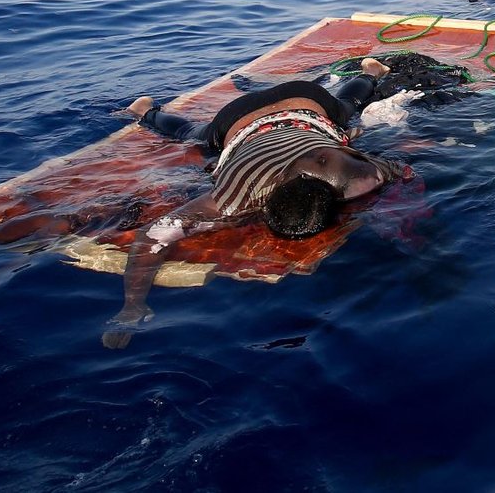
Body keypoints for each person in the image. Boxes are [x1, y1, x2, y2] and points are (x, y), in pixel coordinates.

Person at [103, 58, 410, 348]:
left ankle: (144, 110)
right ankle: (369, 72)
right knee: (347, 107)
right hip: (282, 105)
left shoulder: (231, 200)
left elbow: (151, 238)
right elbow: (403, 172)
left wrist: (133, 305)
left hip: (271, 110)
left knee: (342, 110)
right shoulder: (332, 173)